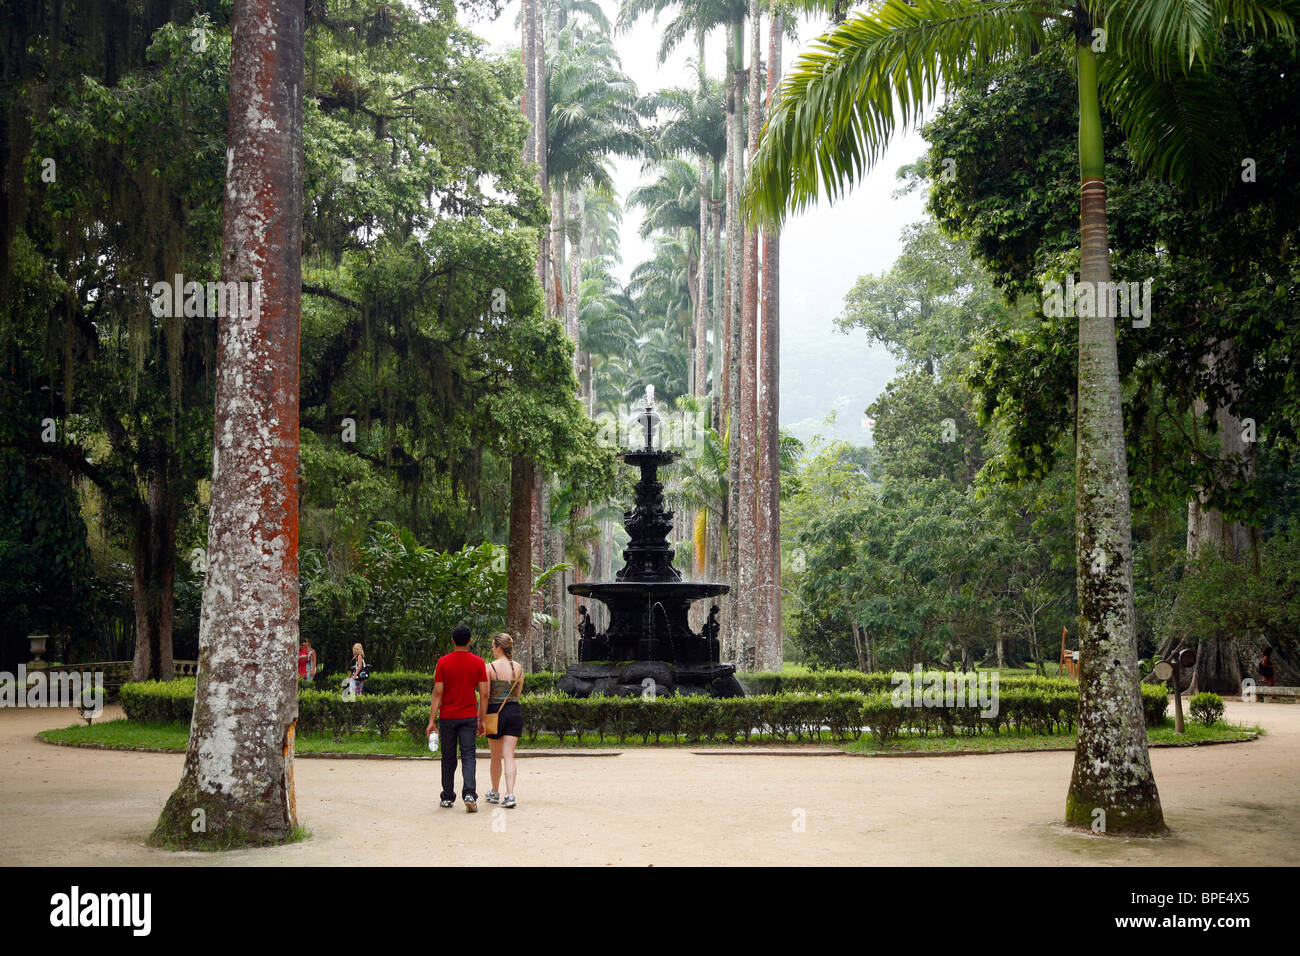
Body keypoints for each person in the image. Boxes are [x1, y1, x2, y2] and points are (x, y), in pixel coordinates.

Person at [426, 625, 489, 812]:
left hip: (447, 717)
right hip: (469, 716)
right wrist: (482, 719)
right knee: (469, 755)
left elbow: (438, 692)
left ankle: (447, 796)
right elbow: (484, 694)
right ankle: (469, 793)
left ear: (452, 640)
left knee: (448, 756)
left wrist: (432, 720)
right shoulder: (478, 663)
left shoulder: (443, 662)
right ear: (469, 641)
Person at [484, 633, 524, 809]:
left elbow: (485, 695)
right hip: (514, 711)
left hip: (495, 712)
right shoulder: (519, 668)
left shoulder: (489, 668)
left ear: (499, 648)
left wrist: (481, 718)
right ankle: (510, 794)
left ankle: (494, 791)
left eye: (493, 646)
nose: (492, 649)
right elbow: (518, 694)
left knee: (495, 756)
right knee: (509, 755)